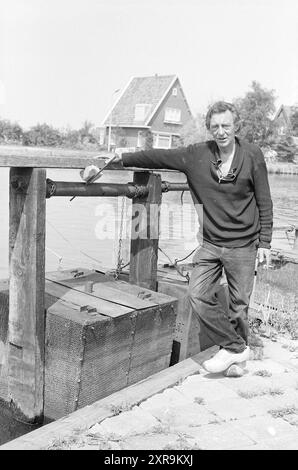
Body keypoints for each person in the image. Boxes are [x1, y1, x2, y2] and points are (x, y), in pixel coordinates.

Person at [87, 101, 273, 374]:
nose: (221, 132)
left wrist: (265, 242)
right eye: (215, 127)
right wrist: (121, 158)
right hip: (211, 243)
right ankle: (235, 348)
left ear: (236, 127)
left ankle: (236, 356)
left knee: (238, 307)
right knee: (198, 295)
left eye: (226, 126)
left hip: (244, 245)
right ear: (209, 128)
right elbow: (157, 156)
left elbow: (264, 199)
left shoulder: (252, 155)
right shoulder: (195, 155)